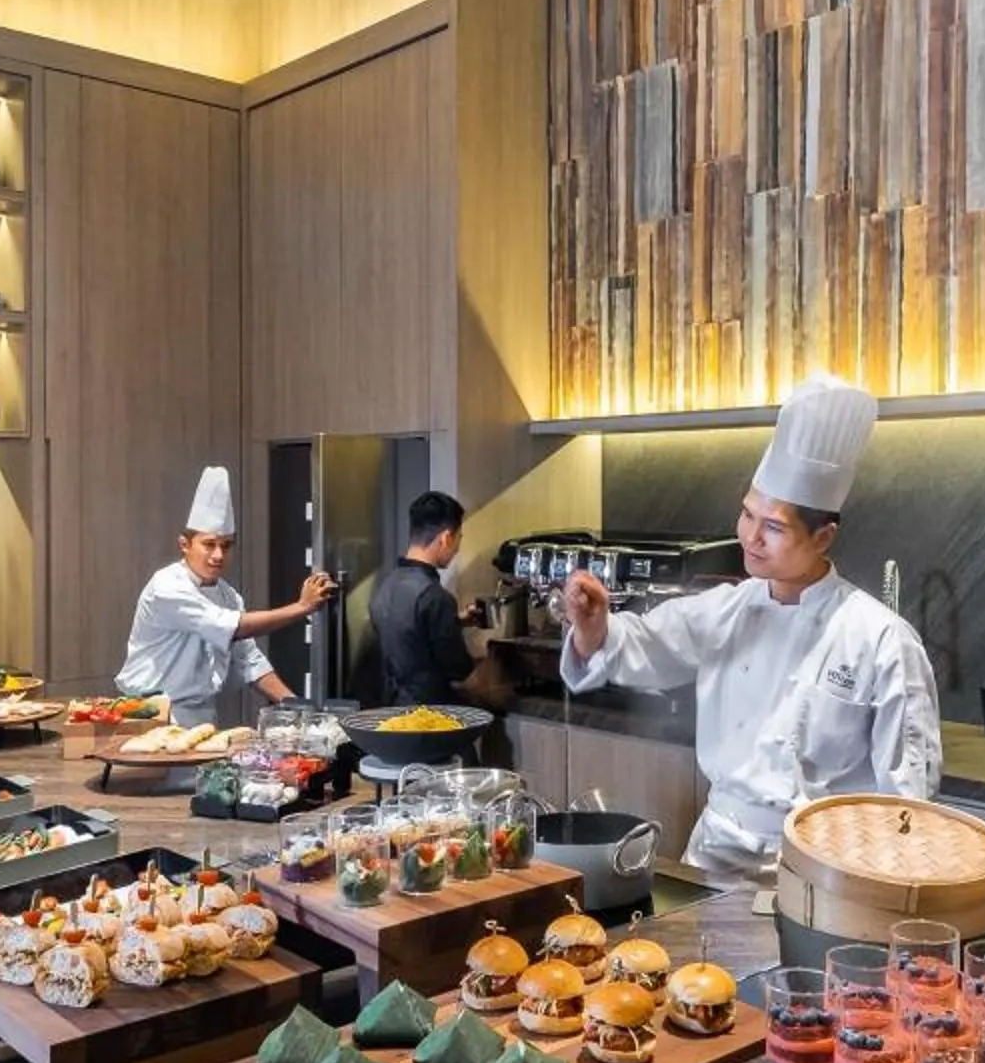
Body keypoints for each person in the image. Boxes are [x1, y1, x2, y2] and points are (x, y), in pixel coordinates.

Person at [558, 373, 942, 885]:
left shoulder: (879, 638)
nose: (751, 538)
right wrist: (593, 626)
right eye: (746, 514)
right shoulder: (725, 610)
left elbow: (907, 796)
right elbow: (640, 644)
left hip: (823, 872)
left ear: (823, 536)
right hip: (715, 855)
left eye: (774, 527)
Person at [113, 465, 335, 722]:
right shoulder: (167, 586)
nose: (218, 555)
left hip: (201, 712)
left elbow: (249, 662)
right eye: (209, 545)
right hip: (149, 712)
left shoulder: (229, 596)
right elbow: (233, 627)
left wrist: (299, 707)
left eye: (226, 546)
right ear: (184, 545)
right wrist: (302, 607)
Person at [365, 490, 478, 707]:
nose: (457, 549)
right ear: (445, 538)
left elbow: (410, 636)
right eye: (458, 539)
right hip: (429, 718)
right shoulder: (435, 597)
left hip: (392, 710)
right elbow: (458, 669)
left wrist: (455, 623)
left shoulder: (387, 586)